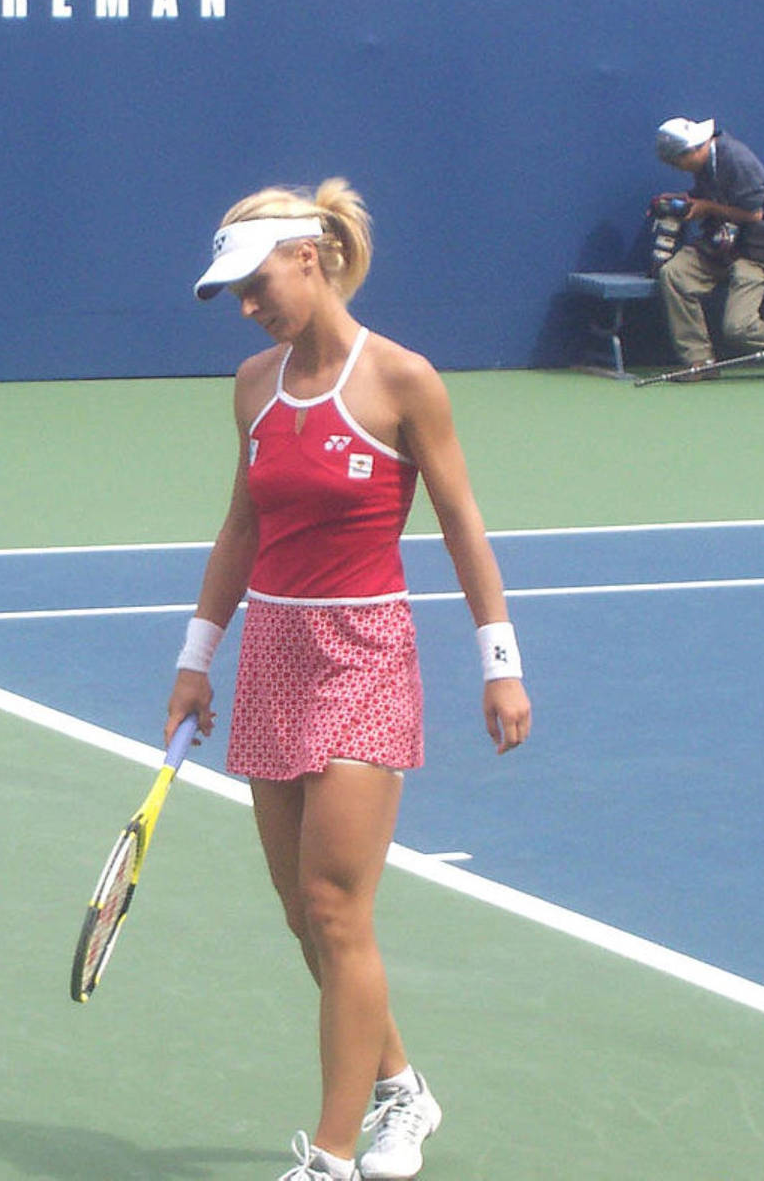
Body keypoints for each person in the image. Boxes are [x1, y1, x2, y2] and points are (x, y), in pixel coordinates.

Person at [169, 180, 528, 1181]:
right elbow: (241, 527)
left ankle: (330, 1158)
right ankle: (401, 1092)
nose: (247, 303)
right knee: (305, 916)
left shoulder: (403, 381)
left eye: (256, 281)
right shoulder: (250, 387)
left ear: (312, 258)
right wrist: (196, 662)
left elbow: (461, 524)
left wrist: (500, 664)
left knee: (335, 906)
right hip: (274, 657)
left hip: (367, 654)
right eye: (234, 291)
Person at [651, 117, 764, 380]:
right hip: (719, 245)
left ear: (691, 150)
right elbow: (712, 198)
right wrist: (687, 202)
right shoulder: (706, 163)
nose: (677, 168)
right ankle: (700, 362)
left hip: (757, 249)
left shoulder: (736, 159)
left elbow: (753, 214)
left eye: (677, 162)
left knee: (737, 326)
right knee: (675, 274)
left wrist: (706, 208)